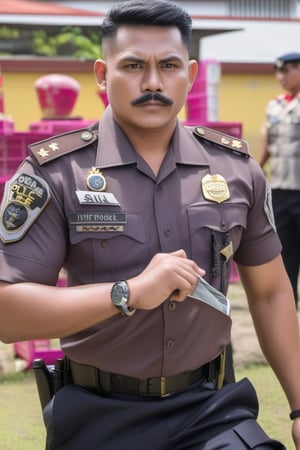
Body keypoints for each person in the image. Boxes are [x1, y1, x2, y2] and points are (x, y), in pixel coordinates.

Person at [0, 1, 300, 449]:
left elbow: (272, 292)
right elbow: (7, 311)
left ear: (191, 74)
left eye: (170, 65)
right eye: (134, 65)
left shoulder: (236, 170)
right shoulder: (55, 173)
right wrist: (128, 293)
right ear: (102, 74)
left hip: (211, 409)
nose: (154, 83)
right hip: (98, 414)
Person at [258, 52, 300, 308]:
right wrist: (256, 168)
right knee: (284, 250)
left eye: (287, 71)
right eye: (278, 72)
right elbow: (268, 143)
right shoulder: (274, 105)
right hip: (282, 189)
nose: (281, 77)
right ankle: (289, 302)